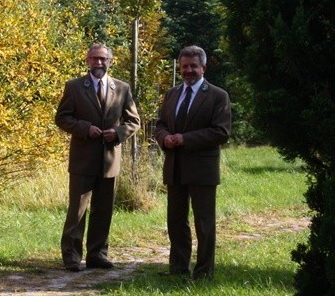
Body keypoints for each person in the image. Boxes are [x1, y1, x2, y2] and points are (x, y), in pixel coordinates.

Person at [55, 43, 140, 271]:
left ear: (110, 61)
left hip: (110, 160)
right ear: (87, 61)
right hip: (83, 159)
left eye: (102, 59)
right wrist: (84, 128)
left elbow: (134, 121)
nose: (98, 63)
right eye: (94, 59)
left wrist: (118, 133)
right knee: (78, 210)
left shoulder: (121, 88)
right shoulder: (74, 87)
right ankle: (72, 256)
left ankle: (97, 254)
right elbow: (62, 118)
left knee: (104, 210)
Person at [154, 45, 231, 280]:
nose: (188, 70)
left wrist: (185, 139)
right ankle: (178, 268)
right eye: (184, 66)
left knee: (204, 223)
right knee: (175, 220)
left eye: (193, 66)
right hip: (175, 166)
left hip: (202, 169)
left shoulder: (218, 96)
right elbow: (159, 124)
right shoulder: (172, 94)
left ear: (203, 68)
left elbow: (221, 132)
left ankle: (204, 271)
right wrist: (164, 137)